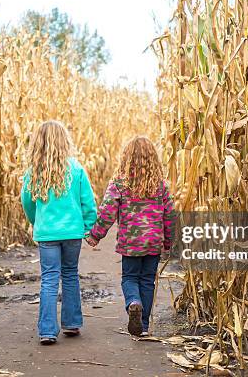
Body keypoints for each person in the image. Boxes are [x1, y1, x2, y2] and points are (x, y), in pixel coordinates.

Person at [85, 136, 176, 337]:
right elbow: (170, 214)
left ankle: (133, 303)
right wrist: (168, 241)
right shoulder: (160, 185)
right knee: (147, 281)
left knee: (130, 278)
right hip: (153, 242)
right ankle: (143, 326)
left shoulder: (119, 182)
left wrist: (95, 235)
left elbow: (107, 210)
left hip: (130, 242)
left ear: (126, 158)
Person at [21, 120, 97, 345]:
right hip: (72, 232)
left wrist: (37, 221)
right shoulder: (76, 168)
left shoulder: (34, 171)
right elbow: (88, 202)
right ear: (64, 141)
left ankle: (47, 330)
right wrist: (88, 227)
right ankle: (72, 323)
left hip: (48, 234)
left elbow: (27, 201)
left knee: (49, 278)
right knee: (71, 274)